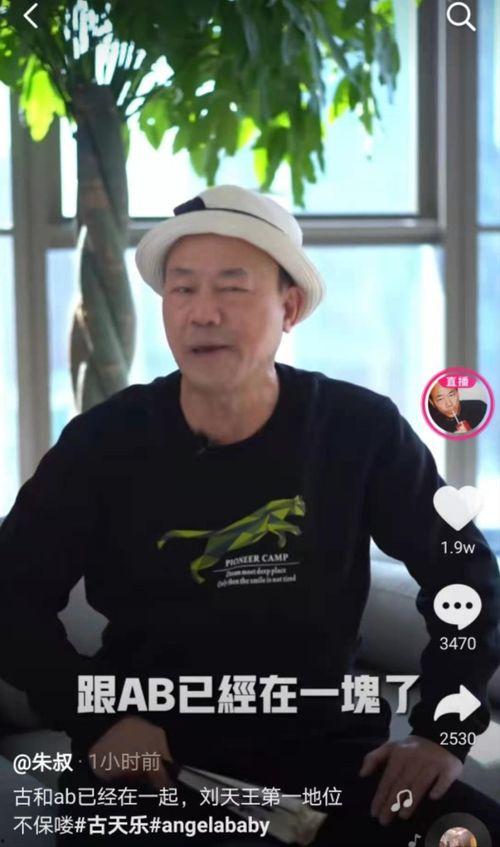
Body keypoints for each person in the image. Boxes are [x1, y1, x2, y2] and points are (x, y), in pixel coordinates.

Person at [0, 185, 499, 847]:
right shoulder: (104, 442)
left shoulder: (358, 430)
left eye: (231, 288)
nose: (202, 313)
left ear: (288, 307)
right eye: (182, 289)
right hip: (153, 767)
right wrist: (99, 720)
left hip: (336, 762)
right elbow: (10, 595)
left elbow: (464, 574)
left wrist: (442, 730)